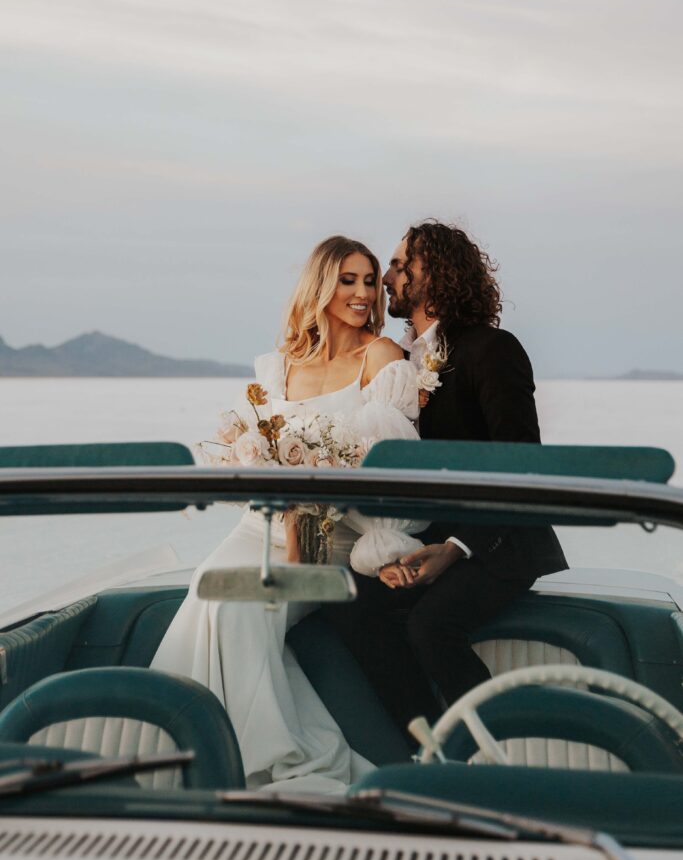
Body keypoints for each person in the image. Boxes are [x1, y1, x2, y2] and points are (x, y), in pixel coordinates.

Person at [151, 236, 425, 793]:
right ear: (320, 285)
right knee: (208, 591)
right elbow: (255, 447)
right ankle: (243, 754)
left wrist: (379, 541)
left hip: (333, 536)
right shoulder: (280, 367)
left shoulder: (382, 358)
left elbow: (394, 465)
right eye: (348, 280)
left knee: (241, 611)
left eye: (370, 280)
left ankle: (266, 766)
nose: (362, 292)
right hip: (261, 526)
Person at [326, 220, 568, 735]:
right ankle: (426, 743)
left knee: (431, 625)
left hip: (501, 539)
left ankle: (494, 752)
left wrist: (455, 548)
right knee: (349, 602)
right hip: (428, 532)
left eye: (396, 266)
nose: (384, 280)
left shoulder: (491, 350)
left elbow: (523, 464)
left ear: (432, 273)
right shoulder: (398, 360)